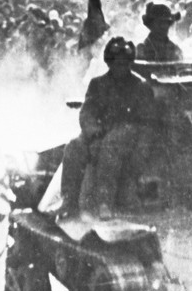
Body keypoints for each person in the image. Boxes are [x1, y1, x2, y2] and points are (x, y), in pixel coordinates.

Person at [60, 37, 157, 217]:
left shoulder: (141, 87)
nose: (120, 66)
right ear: (108, 62)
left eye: (124, 62)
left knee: (110, 146)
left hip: (128, 132)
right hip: (100, 130)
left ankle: (105, 202)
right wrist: (93, 132)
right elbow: (87, 112)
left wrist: (141, 151)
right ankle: (69, 201)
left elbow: (147, 123)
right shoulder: (98, 84)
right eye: (115, 62)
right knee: (73, 147)